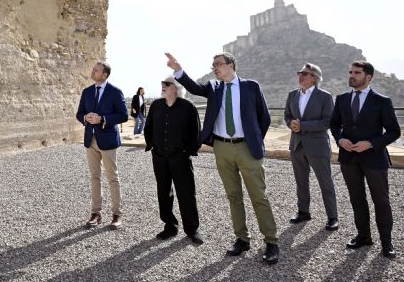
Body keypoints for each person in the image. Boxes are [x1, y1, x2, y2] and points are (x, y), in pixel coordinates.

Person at [165, 51, 279, 264]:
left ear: (231, 65)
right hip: (222, 148)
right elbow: (194, 88)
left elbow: (264, 117)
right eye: (213, 65)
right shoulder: (214, 88)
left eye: (218, 64)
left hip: (247, 148)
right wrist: (178, 69)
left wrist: (253, 140)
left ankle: (271, 241)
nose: (215, 68)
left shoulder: (250, 86)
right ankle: (242, 239)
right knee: (233, 196)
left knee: (258, 196)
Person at [330, 61, 401, 259]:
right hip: (348, 158)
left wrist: (370, 144)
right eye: (350, 72)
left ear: (368, 77)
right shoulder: (342, 99)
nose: (351, 75)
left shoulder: (382, 101)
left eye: (356, 73)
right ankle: (363, 236)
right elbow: (334, 124)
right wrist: (340, 139)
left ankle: (386, 243)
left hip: (374, 158)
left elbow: (394, 131)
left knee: (381, 201)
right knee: (357, 199)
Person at [144, 76, 203, 244]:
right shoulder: (156, 106)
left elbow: (196, 133)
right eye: (162, 83)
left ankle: (192, 229)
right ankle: (170, 226)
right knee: (163, 192)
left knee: (186, 193)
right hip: (160, 157)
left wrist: (187, 152)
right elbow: (148, 128)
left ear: (176, 88)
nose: (162, 86)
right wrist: (153, 147)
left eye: (167, 84)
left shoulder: (188, 107)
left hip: (180, 158)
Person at [284, 63, 338, 230]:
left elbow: (328, 121)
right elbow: (287, 116)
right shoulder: (292, 95)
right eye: (300, 72)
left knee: (325, 182)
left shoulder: (324, 96)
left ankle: (332, 217)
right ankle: (303, 212)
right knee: (301, 181)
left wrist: (303, 126)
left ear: (315, 78)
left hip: (318, 146)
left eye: (305, 73)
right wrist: (290, 124)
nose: (301, 76)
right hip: (297, 145)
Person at [76, 61, 128, 230]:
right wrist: (86, 118)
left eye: (96, 70)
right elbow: (79, 113)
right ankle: (96, 213)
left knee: (113, 178)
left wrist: (102, 119)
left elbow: (123, 115)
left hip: (108, 140)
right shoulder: (87, 92)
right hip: (90, 140)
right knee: (94, 177)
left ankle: (117, 215)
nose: (93, 71)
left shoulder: (115, 92)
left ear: (104, 74)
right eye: (93, 69)